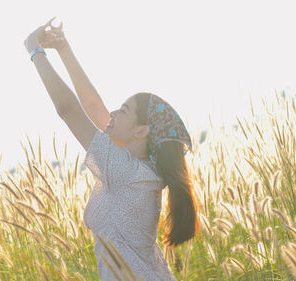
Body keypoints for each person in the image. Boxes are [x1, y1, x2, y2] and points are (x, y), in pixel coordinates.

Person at [24, 17, 200, 281]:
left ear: (140, 132)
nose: (114, 112)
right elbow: (94, 107)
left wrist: (34, 50)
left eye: (124, 110)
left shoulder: (125, 172)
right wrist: (63, 48)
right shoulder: (142, 171)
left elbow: (68, 110)